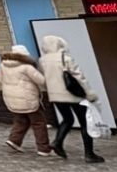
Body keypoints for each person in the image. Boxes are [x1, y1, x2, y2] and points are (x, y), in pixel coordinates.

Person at [39, 34, 105, 163]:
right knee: (85, 123)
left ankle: (57, 142)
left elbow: (43, 79)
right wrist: (89, 93)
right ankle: (89, 154)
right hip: (73, 95)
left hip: (55, 96)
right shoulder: (65, 58)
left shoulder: (42, 60)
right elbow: (79, 77)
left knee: (67, 119)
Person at [0, 45, 52, 156]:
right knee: (39, 123)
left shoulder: (3, 65)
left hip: (11, 99)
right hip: (28, 99)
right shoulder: (27, 67)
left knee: (21, 120)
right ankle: (43, 148)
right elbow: (41, 80)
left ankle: (14, 140)